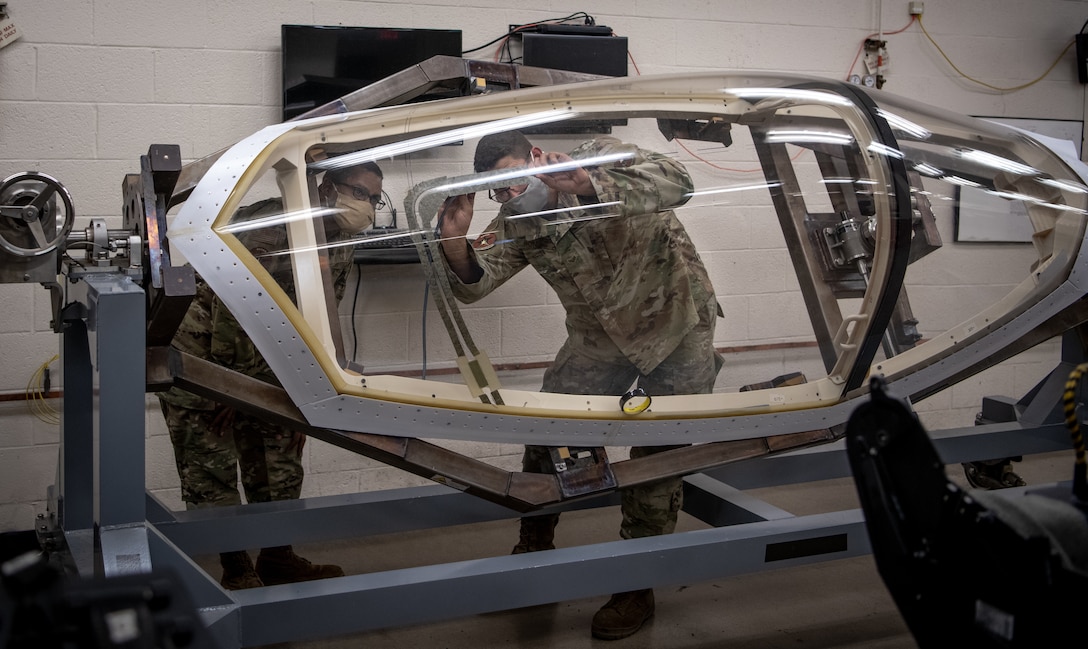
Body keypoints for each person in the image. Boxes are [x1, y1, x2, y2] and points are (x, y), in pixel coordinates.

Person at [438, 131, 722, 640]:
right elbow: (477, 284)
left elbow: (679, 181)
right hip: (598, 338)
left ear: (535, 158)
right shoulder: (516, 219)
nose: (506, 198)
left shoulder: (597, 156)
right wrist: (455, 243)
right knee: (551, 431)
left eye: (511, 183)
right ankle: (533, 547)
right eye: (495, 192)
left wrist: (590, 183)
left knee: (658, 455)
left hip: (677, 325)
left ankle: (636, 583)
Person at [158, 160, 384, 590]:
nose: (367, 206)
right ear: (325, 187)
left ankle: (278, 557)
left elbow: (320, 321)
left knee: (279, 461)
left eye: (374, 198)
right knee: (213, 471)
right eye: (358, 193)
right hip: (204, 355)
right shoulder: (268, 226)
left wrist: (305, 393)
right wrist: (228, 389)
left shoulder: (341, 240)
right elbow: (230, 308)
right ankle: (237, 568)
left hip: (267, 363)